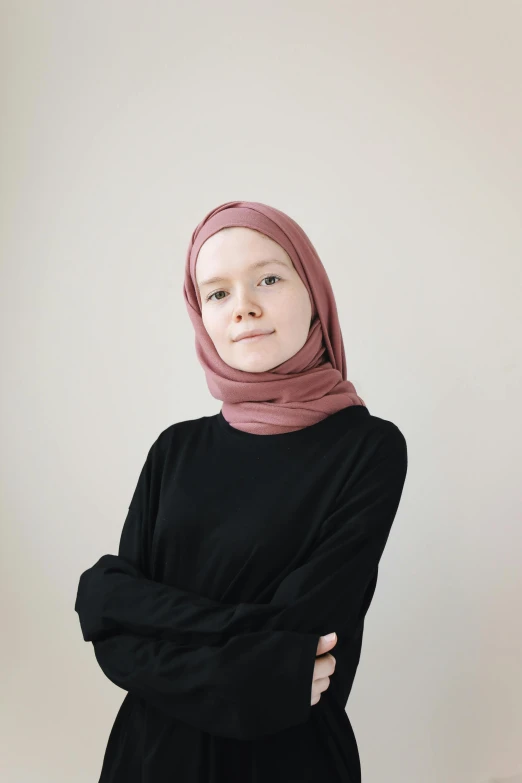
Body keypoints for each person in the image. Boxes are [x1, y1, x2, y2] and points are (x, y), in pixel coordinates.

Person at [74, 200, 408, 782]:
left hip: (286, 762)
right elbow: (112, 635)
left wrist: (135, 613)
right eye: (217, 293)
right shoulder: (174, 450)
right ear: (199, 313)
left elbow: (305, 637)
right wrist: (249, 657)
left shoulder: (368, 448)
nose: (244, 307)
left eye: (269, 278)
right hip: (146, 761)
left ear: (315, 292)